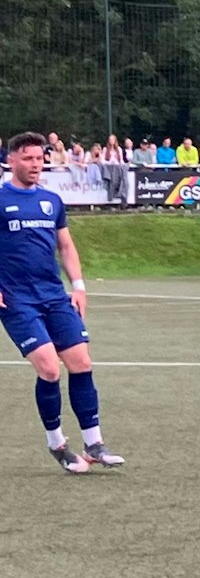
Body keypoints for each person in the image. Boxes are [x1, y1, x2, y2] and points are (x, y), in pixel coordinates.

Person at [2, 133, 121, 473]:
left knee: (81, 362)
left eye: (40, 158)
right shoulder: (0, 199)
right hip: (16, 299)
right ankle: (57, 443)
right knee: (50, 368)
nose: (35, 164)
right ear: (11, 160)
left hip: (54, 295)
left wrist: (79, 286)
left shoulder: (52, 200)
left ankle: (94, 443)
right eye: (28, 158)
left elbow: (66, 246)